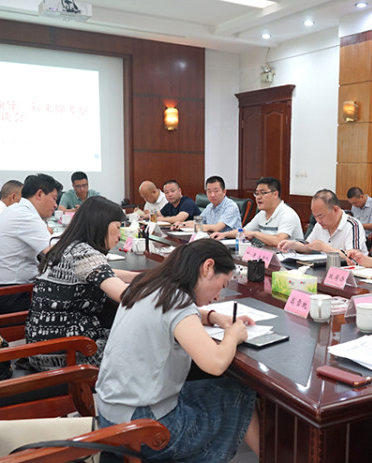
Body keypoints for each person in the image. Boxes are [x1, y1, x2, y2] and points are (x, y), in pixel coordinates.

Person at [95, 239, 260, 462]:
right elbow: (216, 363)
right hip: (146, 427)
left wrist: (212, 316)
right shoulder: (177, 300)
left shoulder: (147, 285)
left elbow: (171, 315)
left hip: (110, 417)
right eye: (223, 284)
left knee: (208, 389)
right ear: (208, 267)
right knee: (238, 392)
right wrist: (233, 335)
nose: (217, 297)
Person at [25, 196, 139, 371]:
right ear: (102, 225)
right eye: (118, 227)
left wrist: (138, 277)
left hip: (41, 347)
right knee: (144, 344)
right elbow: (127, 296)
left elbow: (99, 272)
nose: (119, 234)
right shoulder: (85, 254)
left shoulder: (67, 246)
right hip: (68, 353)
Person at [0, 174, 62, 314]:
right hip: (10, 296)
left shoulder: (17, 209)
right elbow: (55, 254)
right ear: (39, 194)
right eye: (54, 198)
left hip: (0, 292)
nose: (55, 205)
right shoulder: (26, 216)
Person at [211, 177, 303, 246]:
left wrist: (255, 234)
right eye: (256, 193)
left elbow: (279, 241)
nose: (258, 197)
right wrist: (223, 234)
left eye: (262, 193)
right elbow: (243, 231)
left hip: (291, 261)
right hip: (270, 255)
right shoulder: (262, 214)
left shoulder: (287, 214)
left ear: (275, 194)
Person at [278, 189, 366, 256]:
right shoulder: (319, 225)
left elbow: (354, 257)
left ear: (335, 210)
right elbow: (308, 246)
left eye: (321, 216)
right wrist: (292, 244)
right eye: (315, 217)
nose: (318, 221)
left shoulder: (353, 225)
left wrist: (325, 248)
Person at [175, 176, 241, 233]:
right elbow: (197, 222)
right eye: (209, 191)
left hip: (229, 241)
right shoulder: (209, 206)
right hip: (212, 239)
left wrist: (197, 226)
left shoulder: (231, 206)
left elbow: (217, 228)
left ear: (224, 192)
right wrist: (182, 224)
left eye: (216, 191)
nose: (212, 195)